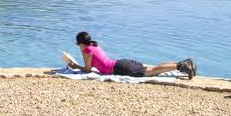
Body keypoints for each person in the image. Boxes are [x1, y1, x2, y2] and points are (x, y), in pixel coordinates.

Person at [68, 31, 197, 79]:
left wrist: (75, 66)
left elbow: (87, 69)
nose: (77, 45)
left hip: (120, 68)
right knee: (153, 69)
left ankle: (182, 65)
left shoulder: (86, 50)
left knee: (152, 70)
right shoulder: (94, 45)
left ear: (81, 43)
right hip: (120, 63)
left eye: (77, 43)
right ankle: (184, 63)